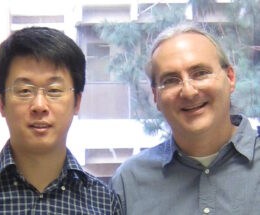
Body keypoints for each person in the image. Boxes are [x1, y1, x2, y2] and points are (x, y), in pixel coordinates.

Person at [0, 27, 123, 215]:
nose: (39, 105)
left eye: (54, 90)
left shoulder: (103, 201)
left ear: (77, 102)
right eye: (24, 91)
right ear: (2, 103)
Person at [111, 24, 260, 214]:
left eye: (200, 73)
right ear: (156, 97)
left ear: (230, 78)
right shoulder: (129, 183)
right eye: (171, 80)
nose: (189, 91)